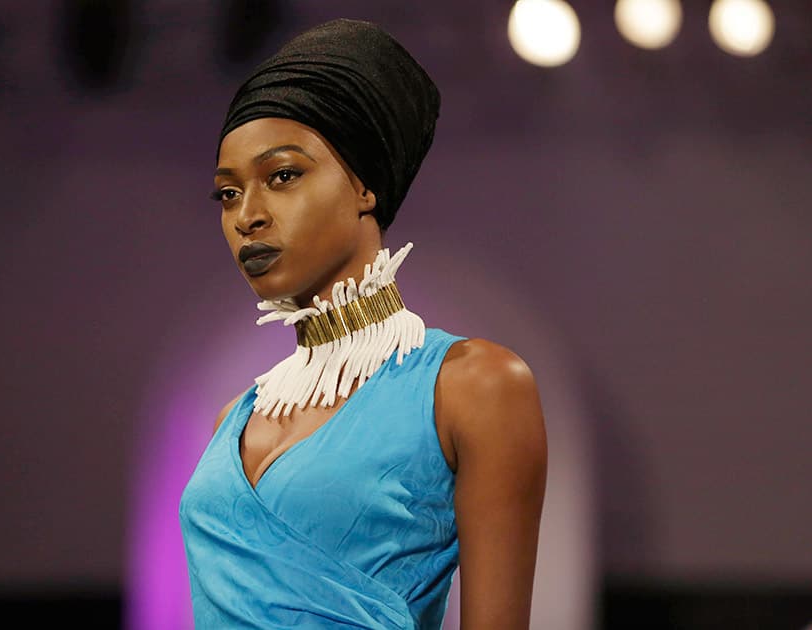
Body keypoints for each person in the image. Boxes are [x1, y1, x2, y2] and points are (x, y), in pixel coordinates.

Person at [179, 18, 547, 629]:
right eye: (228, 193)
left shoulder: (474, 387)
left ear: (364, 186)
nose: (248, 216)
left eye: (283, 176)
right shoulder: (232, 419)